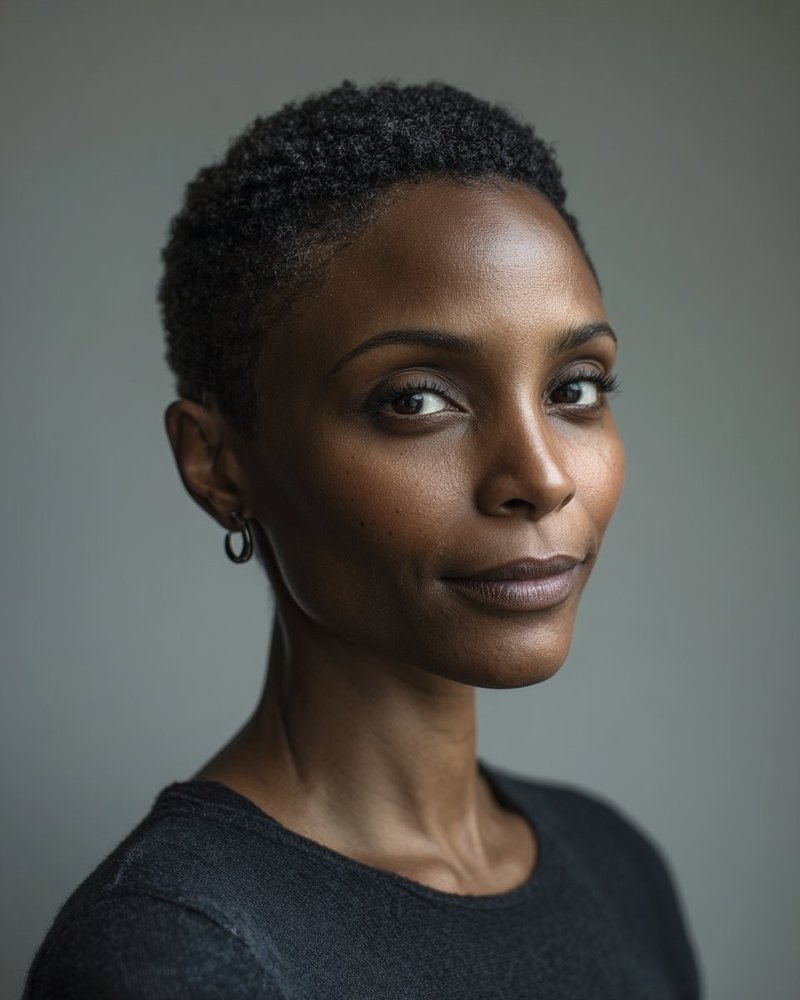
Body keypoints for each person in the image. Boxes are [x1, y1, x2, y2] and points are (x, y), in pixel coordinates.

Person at [23, 80, 701, 998]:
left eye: (575, 387)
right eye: (415, 399)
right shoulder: (174, 949)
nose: (543, 478)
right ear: (219, 464)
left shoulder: (616, 868)